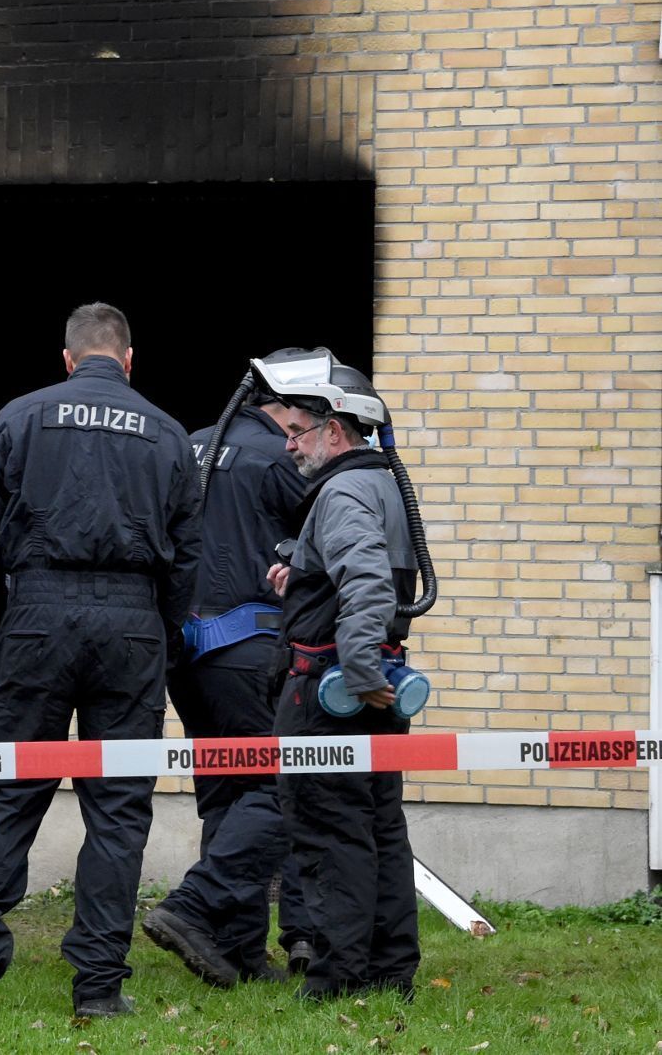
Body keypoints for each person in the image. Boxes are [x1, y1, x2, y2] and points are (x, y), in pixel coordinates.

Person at [0, 302, 201, 1018]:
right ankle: (97, 986)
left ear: (65, 358)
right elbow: (185, 559)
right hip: (131, 624)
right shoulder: (169, 433)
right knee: (117, 811)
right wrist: (163, 637)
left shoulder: (21, 418)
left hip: (36, 617)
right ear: (127, 359)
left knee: (1, 794)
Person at [142, 370, 316, 986]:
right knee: (281, 789)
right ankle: (197, 907)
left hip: (188, 657)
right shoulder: (280, 459)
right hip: (251, 651)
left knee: (225, 797)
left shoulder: (189, 444)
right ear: (288, 409)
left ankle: (238, 951)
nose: (307, 435)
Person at [257, 348, 421, 1001]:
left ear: (333, 431)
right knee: (379, 828)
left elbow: (368, 582)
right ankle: (388, 973)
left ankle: (335, 977)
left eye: (297, 431)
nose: (289, 444)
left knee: (329, 835)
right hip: (372, 692)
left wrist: (354, 666)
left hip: (330, 694)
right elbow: (354, 570)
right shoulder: (380, 482)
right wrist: (296, 570)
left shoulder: (345, 487)